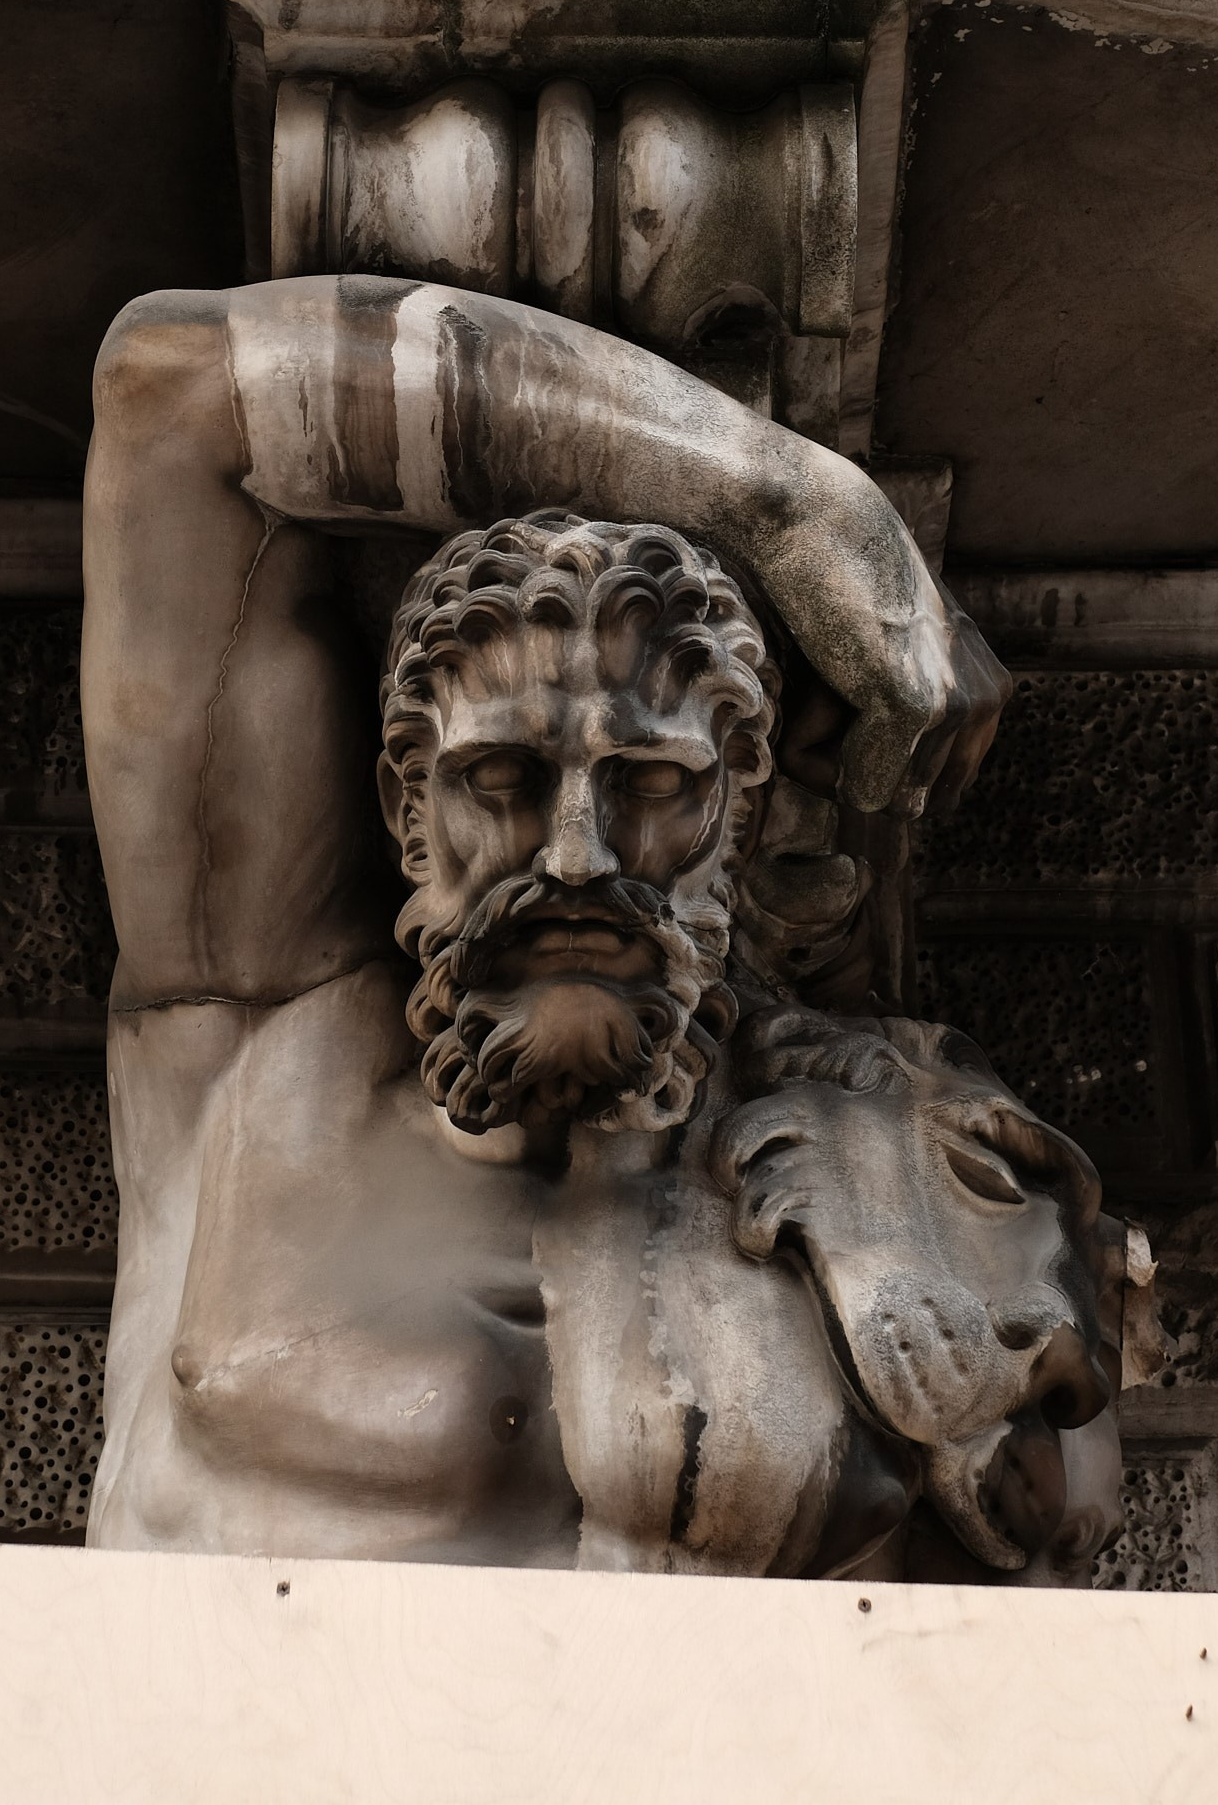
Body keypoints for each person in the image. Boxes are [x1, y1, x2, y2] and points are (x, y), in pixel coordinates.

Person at [81, 273, 1135, 1576]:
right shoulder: (246, 1026)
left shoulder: (893, 1158)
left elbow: (1055, 1588)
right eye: (501, 781)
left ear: (736, 821)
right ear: (408, 813)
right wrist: (790, 503)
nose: (576, 855)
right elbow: (173, 393)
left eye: (650, 786)